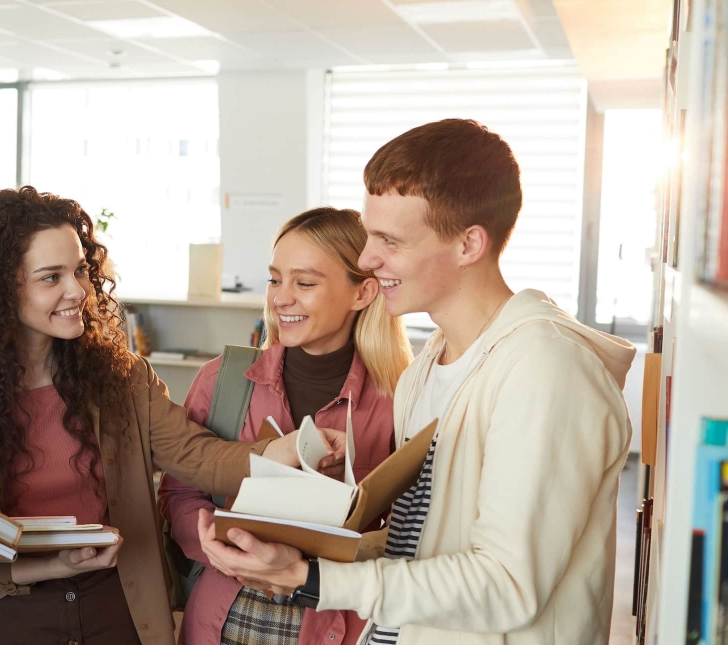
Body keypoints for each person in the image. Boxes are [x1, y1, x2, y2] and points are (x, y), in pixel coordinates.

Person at [197, 118, 636, 645]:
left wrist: (310, 579)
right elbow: (419, 548)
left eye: (390, 241)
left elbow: (506, 584)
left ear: (469, 244)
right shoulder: (427, 370)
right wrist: (297, 559)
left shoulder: (545, 370)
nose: (366, 259)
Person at [0, 186, 301, 645]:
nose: (78, 290)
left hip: (118, 610)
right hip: (5, 616)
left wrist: (287, 450)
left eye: (79, 270)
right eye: (50, 277)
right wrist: (54, 566)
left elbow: (199, 456)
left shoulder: (121, 378)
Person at [160, 207, 412, 645]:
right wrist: (224, 553)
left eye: (305, 283)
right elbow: (181, 492)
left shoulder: (401, 398)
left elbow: (408, 531)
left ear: (363, 292)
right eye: (275, 279)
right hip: (221, 620)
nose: (280, 298)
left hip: (335, 622)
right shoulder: (222, 380)